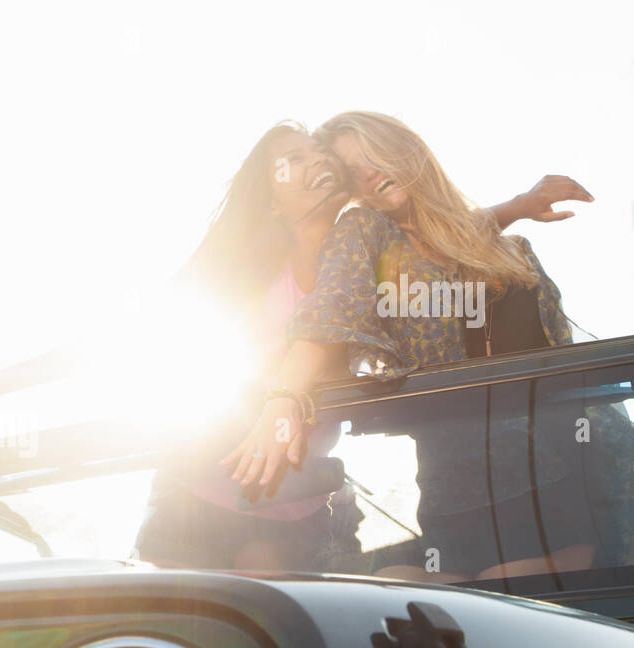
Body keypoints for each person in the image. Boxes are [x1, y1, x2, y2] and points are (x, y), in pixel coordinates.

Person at [0, 118, 590, 570]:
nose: (317, 165)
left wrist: (517, 204)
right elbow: (118, 339)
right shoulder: (236, 273)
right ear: (271, 194)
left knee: (268, 618)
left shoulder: (366, 246)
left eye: (321, 156)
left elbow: (437, 238)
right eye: (294, 159)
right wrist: (0, 382)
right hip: (198, 486)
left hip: (297, 496)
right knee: (180, 626)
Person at [223, 110, 605, 581]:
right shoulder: (364, 233)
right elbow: (331, 309)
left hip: (561, 481)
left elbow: (453, 240)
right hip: (455, 494)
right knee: (410, 606)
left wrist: (517, 205)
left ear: (407, 148)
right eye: (352, 172)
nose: (370, 174)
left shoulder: (514, 250)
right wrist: (281, 399)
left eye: (374, 154)